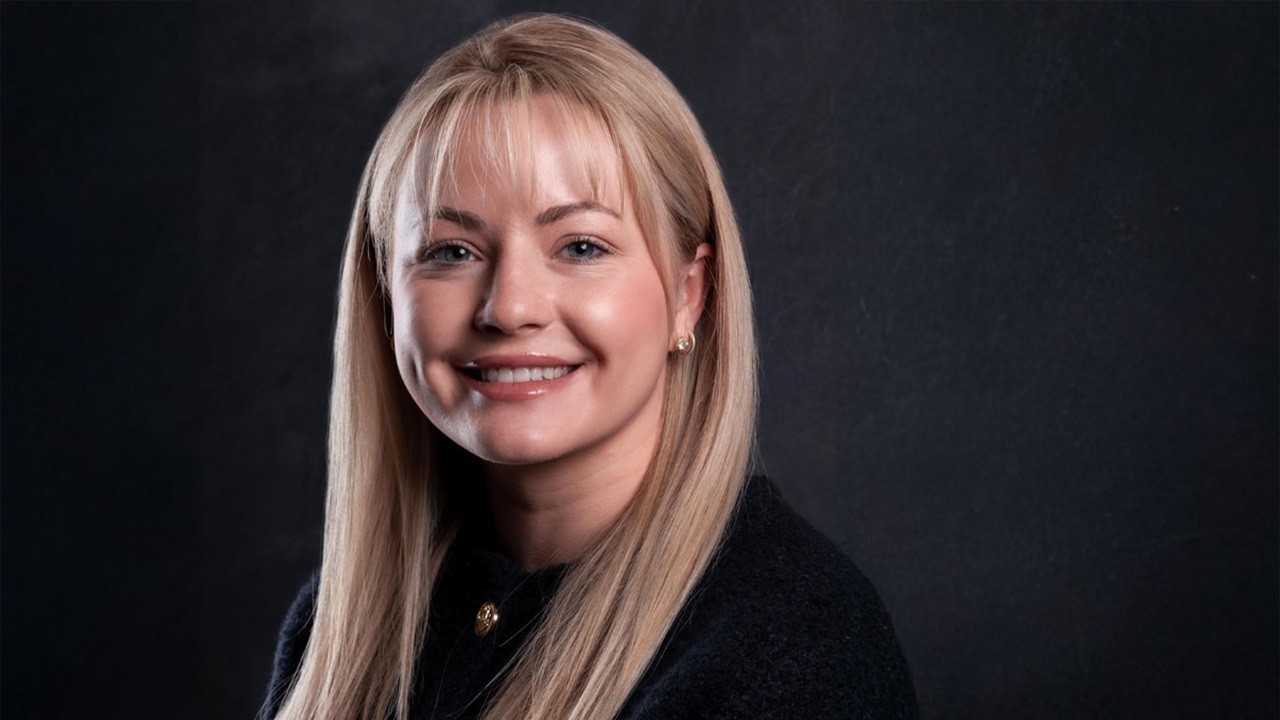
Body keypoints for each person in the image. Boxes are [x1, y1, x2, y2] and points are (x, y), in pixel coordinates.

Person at [264, 13, 917, 720]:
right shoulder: (338, 628)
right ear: (387, 296)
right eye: (451, 251)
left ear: (688, 294)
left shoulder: (793, 649)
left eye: (580, 247)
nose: (509, 308)